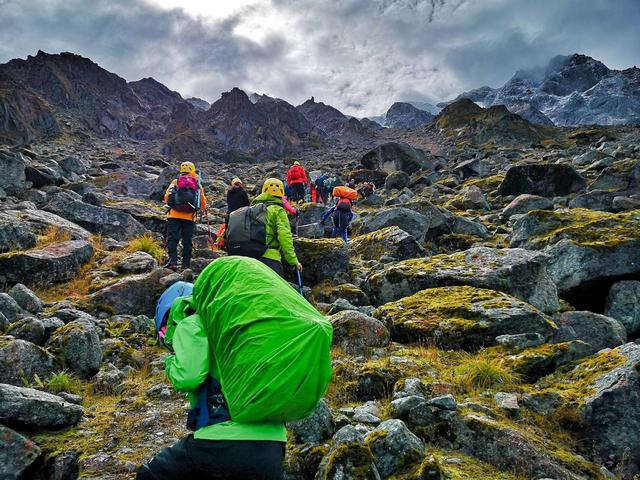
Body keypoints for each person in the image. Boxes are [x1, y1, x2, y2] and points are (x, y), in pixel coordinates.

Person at [138, 257, 332, 480]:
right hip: (272, 448)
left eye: (162, 333)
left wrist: (170, 364)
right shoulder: (237, 331)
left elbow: (188, 376)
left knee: (150, 475)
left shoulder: (190, 322)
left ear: (169, 317)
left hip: (221, 442)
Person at [252, 178, 302, 276]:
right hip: (270, 258)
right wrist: (293, 261)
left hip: (251, 257)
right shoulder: (278, 211)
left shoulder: (252, 209)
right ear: (282, 192)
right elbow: (284, 236)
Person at [164, 161, 207, 270]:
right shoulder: (197, 183)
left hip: (174, 215)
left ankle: (173, 261)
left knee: (173, 239)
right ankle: (185, 264)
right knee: (187, 240)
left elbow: (166, 198)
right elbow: (202, 203)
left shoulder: (176, 181)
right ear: (193, 170)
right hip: (190, 217)